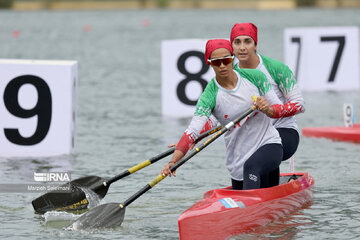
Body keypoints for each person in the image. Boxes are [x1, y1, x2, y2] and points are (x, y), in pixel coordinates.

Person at [161, 39, 284, 190]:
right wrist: (174, 162)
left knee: (251, 168)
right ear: (209, 63)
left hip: (268, 145)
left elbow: (279, 109)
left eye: (226, 60)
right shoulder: (209, 96)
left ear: (233, 59)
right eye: (216, 62)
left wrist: (268, 109)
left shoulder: (255, 77)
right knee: (250, 179)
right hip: (237, 161)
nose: (222, 66)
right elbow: (192, 131)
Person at [230, 22, 305, 161]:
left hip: (284, 130)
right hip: (254, 135)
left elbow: (300, 104)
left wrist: (272, 111)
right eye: (237, 42)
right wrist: (190, 139)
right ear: (232, 46)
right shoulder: (231, 74)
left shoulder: (277, 68)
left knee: (257, 160)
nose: (242, 48)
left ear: (255, 45)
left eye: (247, 42)